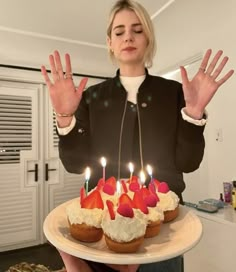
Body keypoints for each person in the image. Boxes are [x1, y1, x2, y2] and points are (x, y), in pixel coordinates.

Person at [41, 0, 234, 271]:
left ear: (148, 39)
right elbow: (74, 163)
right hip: (105, 228)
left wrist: (194, 115)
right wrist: (65, 117)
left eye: (137, 30)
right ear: (109, 42)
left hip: (164, 233)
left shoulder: (175, 93)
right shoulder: (92, 98)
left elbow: (188, 162)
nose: (128, 37)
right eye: (119, 32)